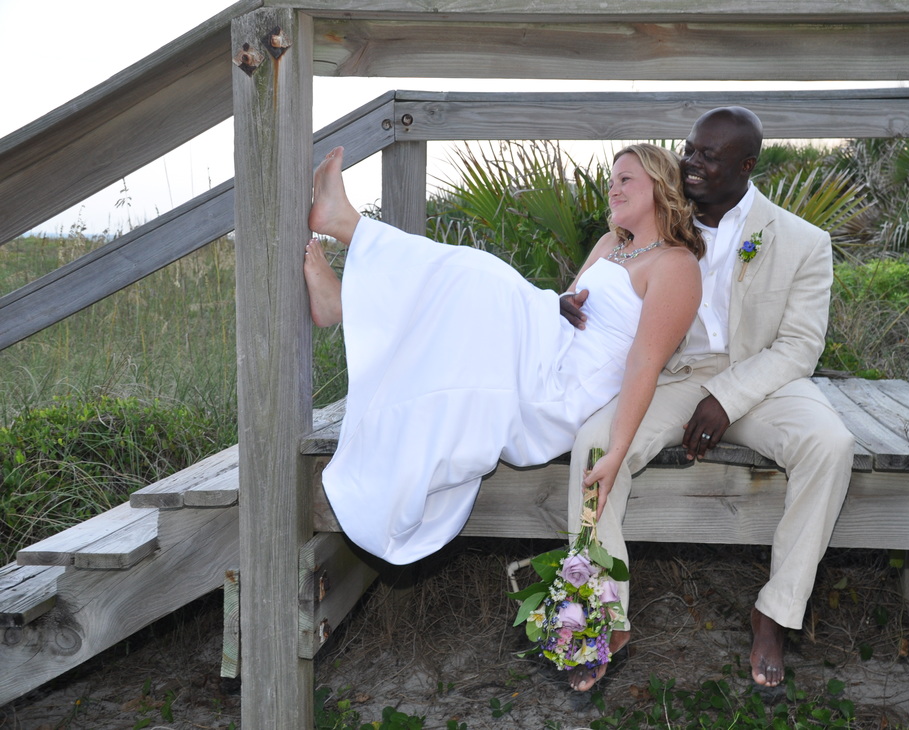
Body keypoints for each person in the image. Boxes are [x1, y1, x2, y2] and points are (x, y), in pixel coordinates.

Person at [562, 107, 855, 691]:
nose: (690, 163)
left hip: (764, 378)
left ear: (747, 165)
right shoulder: (658, 223)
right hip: (671, 376)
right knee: (596, 444)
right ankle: (600, 615)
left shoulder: (802, 241)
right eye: (689, 150)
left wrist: (727, 397)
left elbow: (799, 346)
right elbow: (600, 286)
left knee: (831, 444)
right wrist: (564, 303)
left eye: (708, 156)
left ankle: (775, 612)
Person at [304, 144, 703, 569]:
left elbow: (645, 362)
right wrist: (559, 302)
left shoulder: (676, 265)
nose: (613, 190)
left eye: (626, 180)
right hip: (551, 348)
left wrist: (616, 451)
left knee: (478, 277)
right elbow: (575, 302)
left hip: (563, 390)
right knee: (468, 280)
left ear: (661, 188)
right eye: (611, 182)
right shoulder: (610, 244)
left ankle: (345, 244)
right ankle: (342, 294)